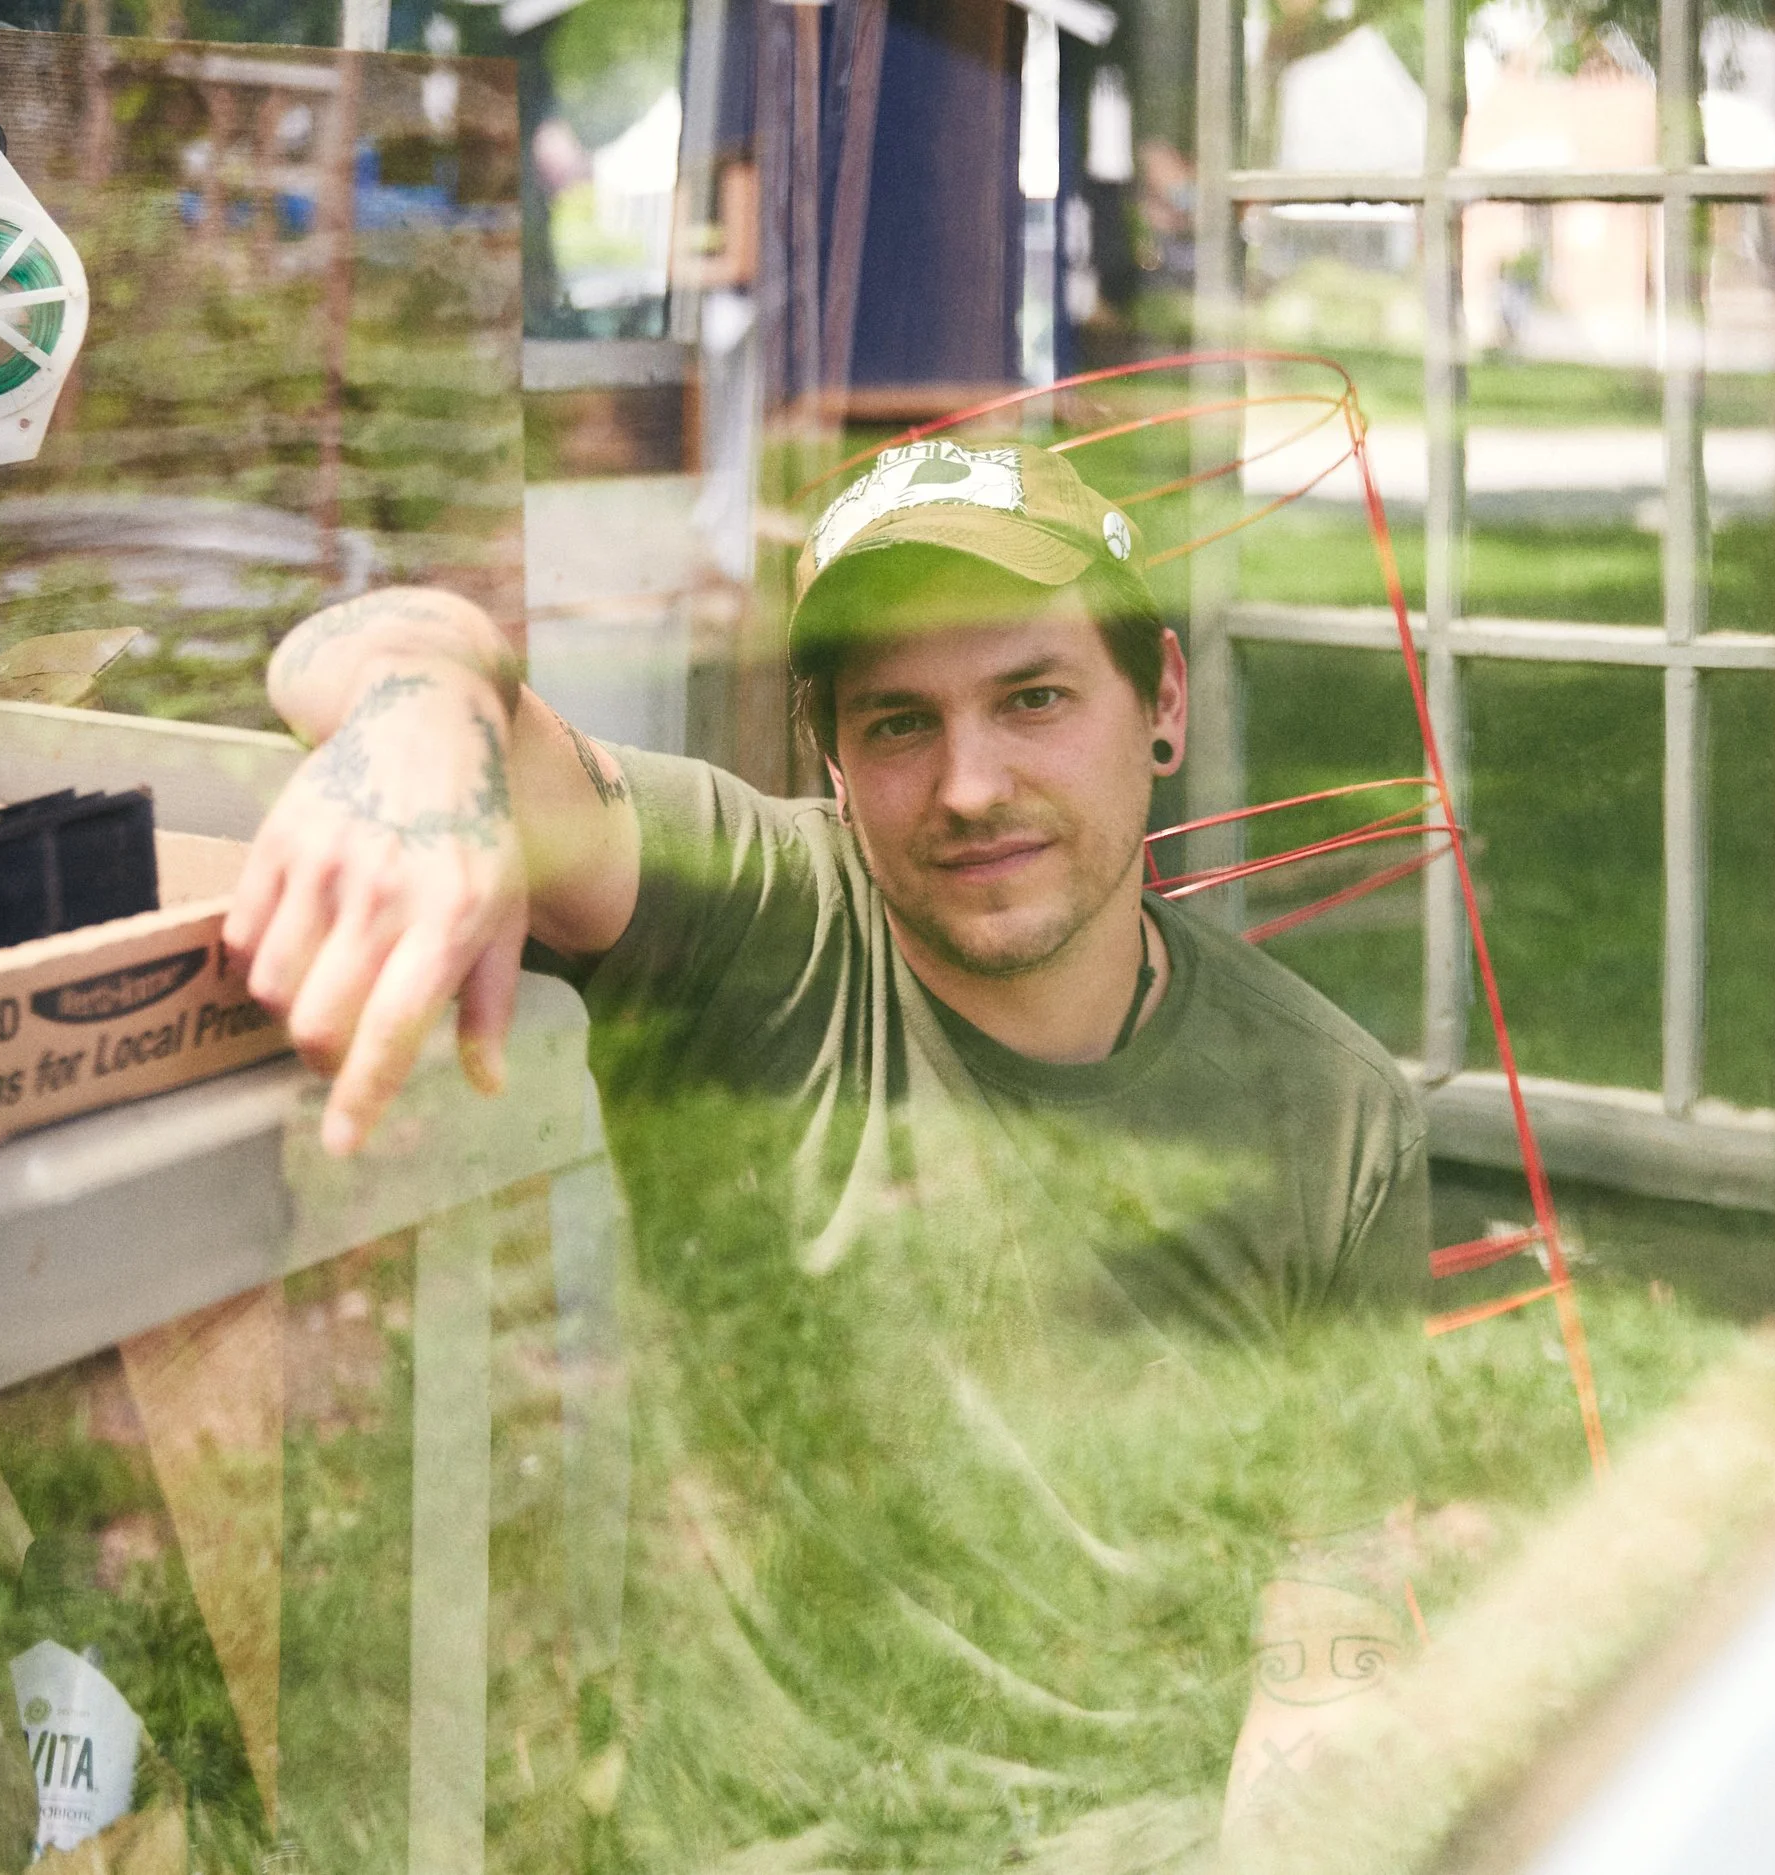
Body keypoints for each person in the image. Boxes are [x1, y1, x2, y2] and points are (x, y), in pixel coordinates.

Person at [225, 439, 1436, 1871]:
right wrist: (428, 727)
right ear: (831, 757)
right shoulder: (757, 924)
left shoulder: (1327, 1106)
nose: (969, 785)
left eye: (1033, 699)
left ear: (1159, 702)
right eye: (899, 724)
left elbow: (1332, 1615)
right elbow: (358, 646)